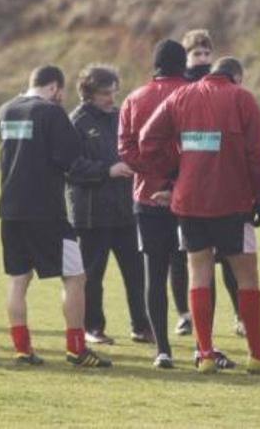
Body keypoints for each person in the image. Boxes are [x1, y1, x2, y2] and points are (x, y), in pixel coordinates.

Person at [138, 57, 260, 375]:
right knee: (247, 277)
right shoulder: (242, 98)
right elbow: (257, 154)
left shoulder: (181, 96)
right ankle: (257, 355)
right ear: (236, 76)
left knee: (198, 273)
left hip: (190, 201)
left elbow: (147, 139)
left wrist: (175, 172)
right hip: (233, 200)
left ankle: (206, 354)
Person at [0, 65, 112, 368]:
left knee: (18, 280)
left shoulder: (5, 110)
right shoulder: (51, 113)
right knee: (76, 276)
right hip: (46, 210)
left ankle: (22, 349)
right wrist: (106, 170)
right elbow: (72, 161)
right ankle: (76, 348)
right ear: (55, 88)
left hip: (9, 209)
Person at [65, 64, 150, 345]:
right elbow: (70, 167)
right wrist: (107, 170)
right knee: (92, 276)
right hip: (91, 214)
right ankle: (93, 328)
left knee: (136, 273)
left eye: (114, 92)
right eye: (105, 94)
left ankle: (141, 326)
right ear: (88, 93)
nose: (111, 99)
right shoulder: (75, 122)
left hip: (126, 210)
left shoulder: (120, 117)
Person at [118, 39, 191, 368]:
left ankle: (162, 349)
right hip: (189, 197)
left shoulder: (134, 98)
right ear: (183, 63)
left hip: (146, 197)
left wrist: (155, 177)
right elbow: (200, 146)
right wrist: (176, 181)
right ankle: (204, 346)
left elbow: (126, 151)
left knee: (154, 272)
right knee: (197, 269)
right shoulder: (195, 94)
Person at [180, 28, 244, 337]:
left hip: (220, 184)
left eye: (207, 54)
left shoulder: (223, 88)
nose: (203, 59)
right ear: (186, 56)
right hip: (192, 187)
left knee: (229, 260)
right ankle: (188, 316)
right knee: (191, 262)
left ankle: (239, 314)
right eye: (197, 54)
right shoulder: (182, 89)